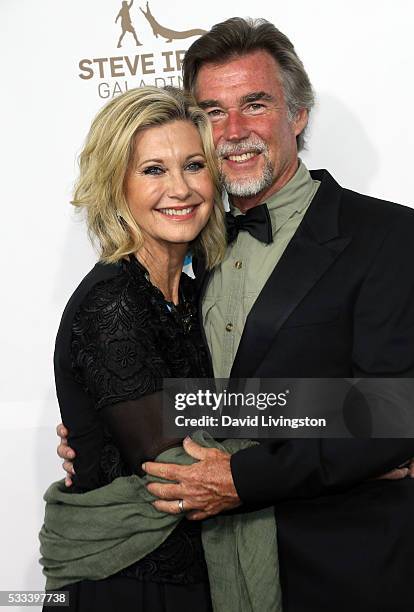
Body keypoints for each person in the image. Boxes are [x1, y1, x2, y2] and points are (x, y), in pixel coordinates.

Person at [58, 18, 414, 612]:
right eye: (213, 112)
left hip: (341, 571)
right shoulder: (179, 248)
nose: (235, 131)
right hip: (204, 568)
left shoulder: (387, 236)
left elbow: (393, 407)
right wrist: (105, 433)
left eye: (255, 104)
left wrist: (247, 464)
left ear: (298, 116)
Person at [44, 85, 227, 611]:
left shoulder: (195, 290)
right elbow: (178, 467)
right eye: (153, 170)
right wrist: (338, 426)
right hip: (132, 583)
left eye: (194, 165)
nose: (181, 188)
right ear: (116, 185)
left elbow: (199, 409)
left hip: (199, 573)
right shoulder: (113, 302)